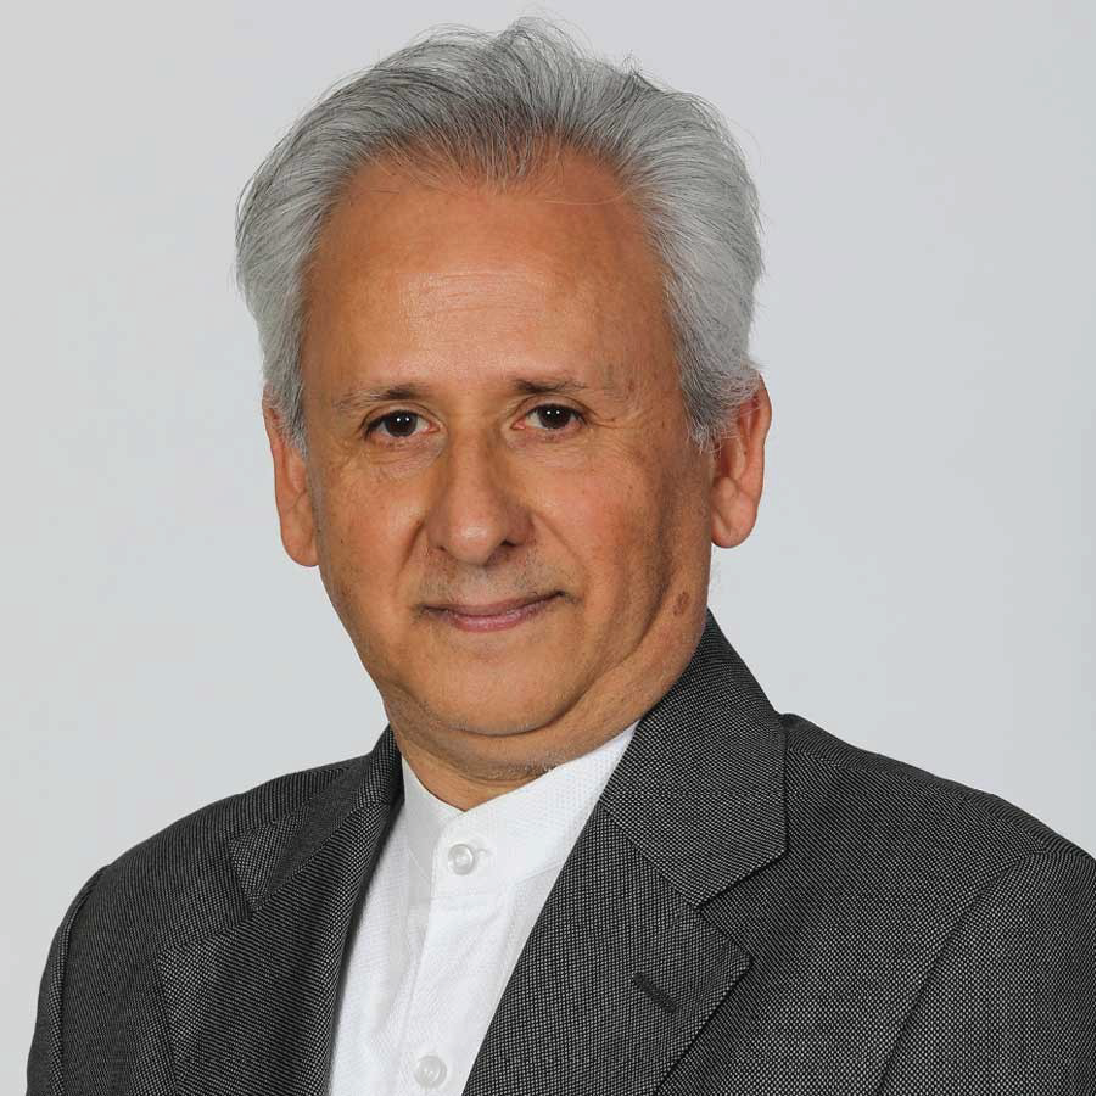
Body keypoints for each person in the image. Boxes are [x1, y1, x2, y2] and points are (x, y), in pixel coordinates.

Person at [28, 18, 1094, 1095]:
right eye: (398, 424)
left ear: (728, 456)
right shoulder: (132, 948)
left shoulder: (982, 944)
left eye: (551, 416)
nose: (472, 524)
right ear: (296, 478)